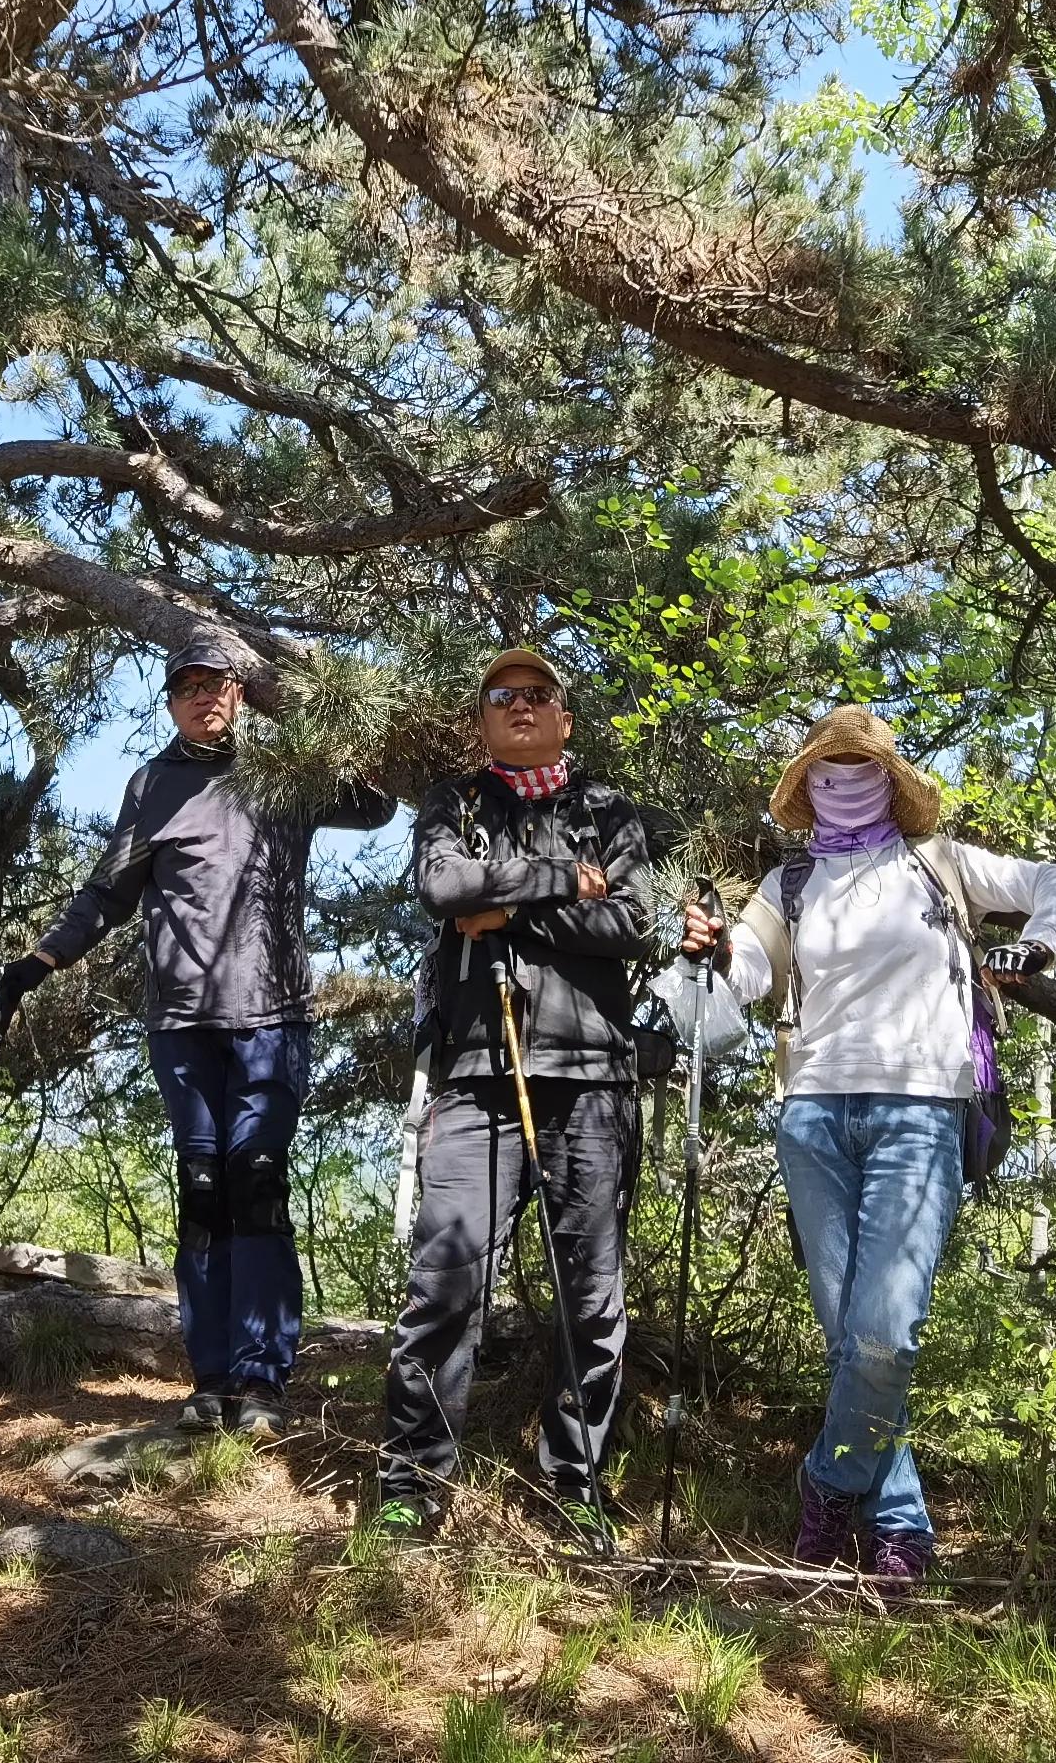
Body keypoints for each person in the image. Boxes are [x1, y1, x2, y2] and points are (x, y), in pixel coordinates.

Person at [680, 706, 1056, 1586]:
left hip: (922, 1111)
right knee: (849, 1343)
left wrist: (1037, 947)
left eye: (858, 767)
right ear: (806, 786)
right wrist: (715, 948)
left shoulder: (941, 865)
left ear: (891, 782)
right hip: (813, 1116)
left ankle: (828, 1482)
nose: (842, 781)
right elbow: (747, 976)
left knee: (884, 1338)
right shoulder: (789, 885)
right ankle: (901, 1529)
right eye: (826, 770)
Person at [0, 627, 396, 1434]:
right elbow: (107, 895)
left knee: (258, 1182)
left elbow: (378, 802)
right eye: (189, 688)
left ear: (241, 693)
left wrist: (315, 702)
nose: (205, 697)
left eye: (219, 684)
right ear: (173, 701)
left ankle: (264, 1380)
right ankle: (211, 1379)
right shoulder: (151, 786)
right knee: (203, 1194)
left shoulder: (283, 775)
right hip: (181, 1022)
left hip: (272, 1014)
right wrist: (36, 963)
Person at [373, 646, 666, 1547]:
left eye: (540, 694)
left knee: (593, 1295)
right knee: (446, 1279)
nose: (523, 706)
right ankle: (411, 1486)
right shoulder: (455, 804)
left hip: (592, 1077)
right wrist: (555, 882)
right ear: (483, 719)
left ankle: (574, 1483)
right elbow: (442, 887)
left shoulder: (608, 811)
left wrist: (507, 908)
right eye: (505, 696)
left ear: (566, 718)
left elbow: (633, 921)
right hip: (475, 1073)